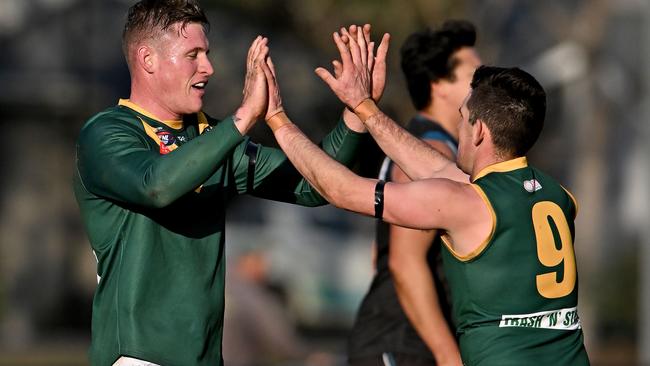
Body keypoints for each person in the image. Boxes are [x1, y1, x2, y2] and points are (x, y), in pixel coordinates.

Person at [259, 25, 590, 365]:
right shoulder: (558, 195)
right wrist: (363, 106)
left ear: (477, 131)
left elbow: (340, 189)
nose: (458, 128)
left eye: (463, 120)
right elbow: (437, 170)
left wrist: (276, 118)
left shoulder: (466, 203)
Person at [72, 1, 374, 365]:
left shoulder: (215, 137)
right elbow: (156, 187)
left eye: (207, 53)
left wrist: (359, 112)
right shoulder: (106, 133)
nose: (208, 67)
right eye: (193, 54)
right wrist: (243, 118)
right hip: (138, 357)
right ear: (148, 59)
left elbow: (314, 185)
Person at [347, 21, 480, 366]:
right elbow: (403, 262)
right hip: (400, 343)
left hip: (407, 342)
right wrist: (449, 356)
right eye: (475, 75)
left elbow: (381, 251)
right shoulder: (429, 151)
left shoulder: (437, 149)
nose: (485, 85)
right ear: (439, 85)